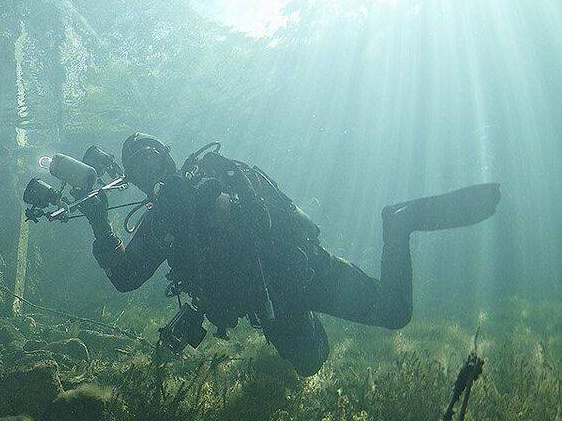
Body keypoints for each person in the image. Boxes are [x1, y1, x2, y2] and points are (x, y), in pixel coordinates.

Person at [76, 133, 501, 375]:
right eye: (137, 171)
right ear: (131, 180)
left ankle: (400, 222)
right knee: (313, 362)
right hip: (272, 306)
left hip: (303, 270)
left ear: (166, 158)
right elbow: (125, 277)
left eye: (150, 161)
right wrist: (98, 221)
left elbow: (264, 218)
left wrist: (219, 205)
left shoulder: (211, 178)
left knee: (395, 312)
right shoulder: (159, 223)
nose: (148, 175)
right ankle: (312, 329)